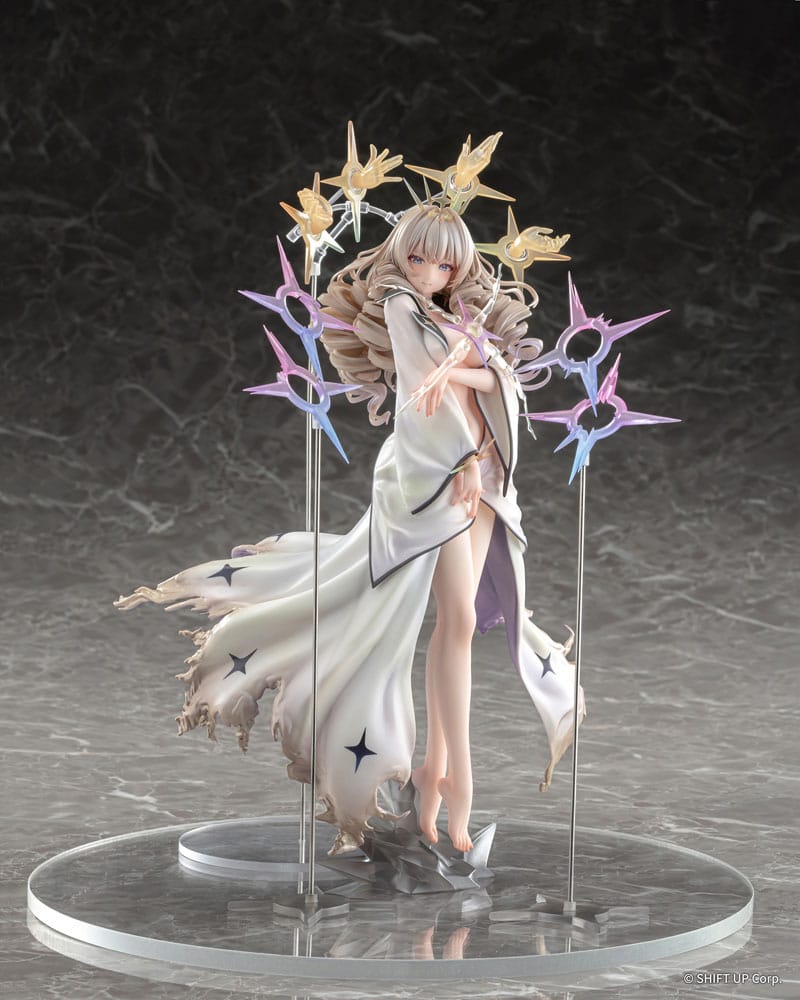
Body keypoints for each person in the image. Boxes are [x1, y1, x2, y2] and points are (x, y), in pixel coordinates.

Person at [115, 202, 585, 855]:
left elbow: (496, 378)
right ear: (401, 256)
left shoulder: (450, 315)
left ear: (458, 268)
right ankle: (455, 777)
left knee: (457, 627)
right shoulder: (400, 306)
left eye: (444, 264)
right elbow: (424, 395)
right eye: (417, 258)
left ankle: (439, 770)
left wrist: (464, 380)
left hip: (481, 480)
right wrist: (461, 435)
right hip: (437, 478)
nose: (428, 272)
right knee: (453, 622)